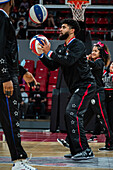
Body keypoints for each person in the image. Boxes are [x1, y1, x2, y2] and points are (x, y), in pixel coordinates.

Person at [35, 18, 97, 160]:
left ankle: (84, 149)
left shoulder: (78, 45)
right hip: (76, 87)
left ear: (72, 30)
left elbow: (69, 61)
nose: (60, 29)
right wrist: (41, 55)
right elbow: (53, 66)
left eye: (63, 27)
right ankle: (77, 150)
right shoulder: (61, 48)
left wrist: (50, 53)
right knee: (70, 115)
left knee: (72, 113)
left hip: (86, 84)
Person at [0, 0, 37, 169]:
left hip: (9, 74)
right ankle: (18, 161)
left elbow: (8, 54)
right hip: (5, 79)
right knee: (11, 119)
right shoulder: (1, 18)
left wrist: (23, 72)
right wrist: (5, 77)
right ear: (11, 2)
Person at [103, 61, 113, 132]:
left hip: (111, 95)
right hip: (104, 94)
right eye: (112, 64)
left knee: (111, 115)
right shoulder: (105, 73)